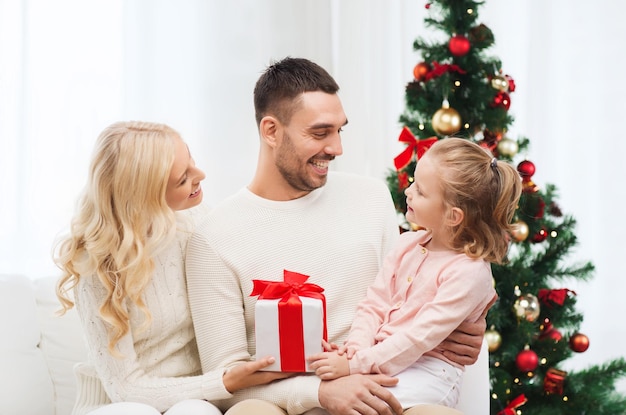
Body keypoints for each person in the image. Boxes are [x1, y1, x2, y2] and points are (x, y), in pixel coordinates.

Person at [185, 57, 489, 415]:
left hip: (383, 390)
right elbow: (225, 382)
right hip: (287, 403)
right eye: (319, 132)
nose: (336, 148)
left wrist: (464, 325)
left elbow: (407, 296)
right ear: (271, 131)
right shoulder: (214, 238)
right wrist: (321, 393)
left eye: (339, 130)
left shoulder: (371, 198)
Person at [54, 121, 288, 415]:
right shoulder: (98, 263)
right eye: (182, 179)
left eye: (192, 160)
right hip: (117, 403)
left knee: (196, 412)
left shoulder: (199, 221)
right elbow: (125, 388)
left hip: (193, 399)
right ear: (143, 196)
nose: (201, 176)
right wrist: (223, 381)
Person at [307, 137, 521, 410]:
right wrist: (356, 349)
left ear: (453, 216)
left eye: (420, 190)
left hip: (429, 374)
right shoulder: (407, 244)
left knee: (362, 405)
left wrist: (353, 365)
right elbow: (374, 304)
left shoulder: (469, 272)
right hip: (384, 359)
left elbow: (419, 338)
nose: (408, 191)